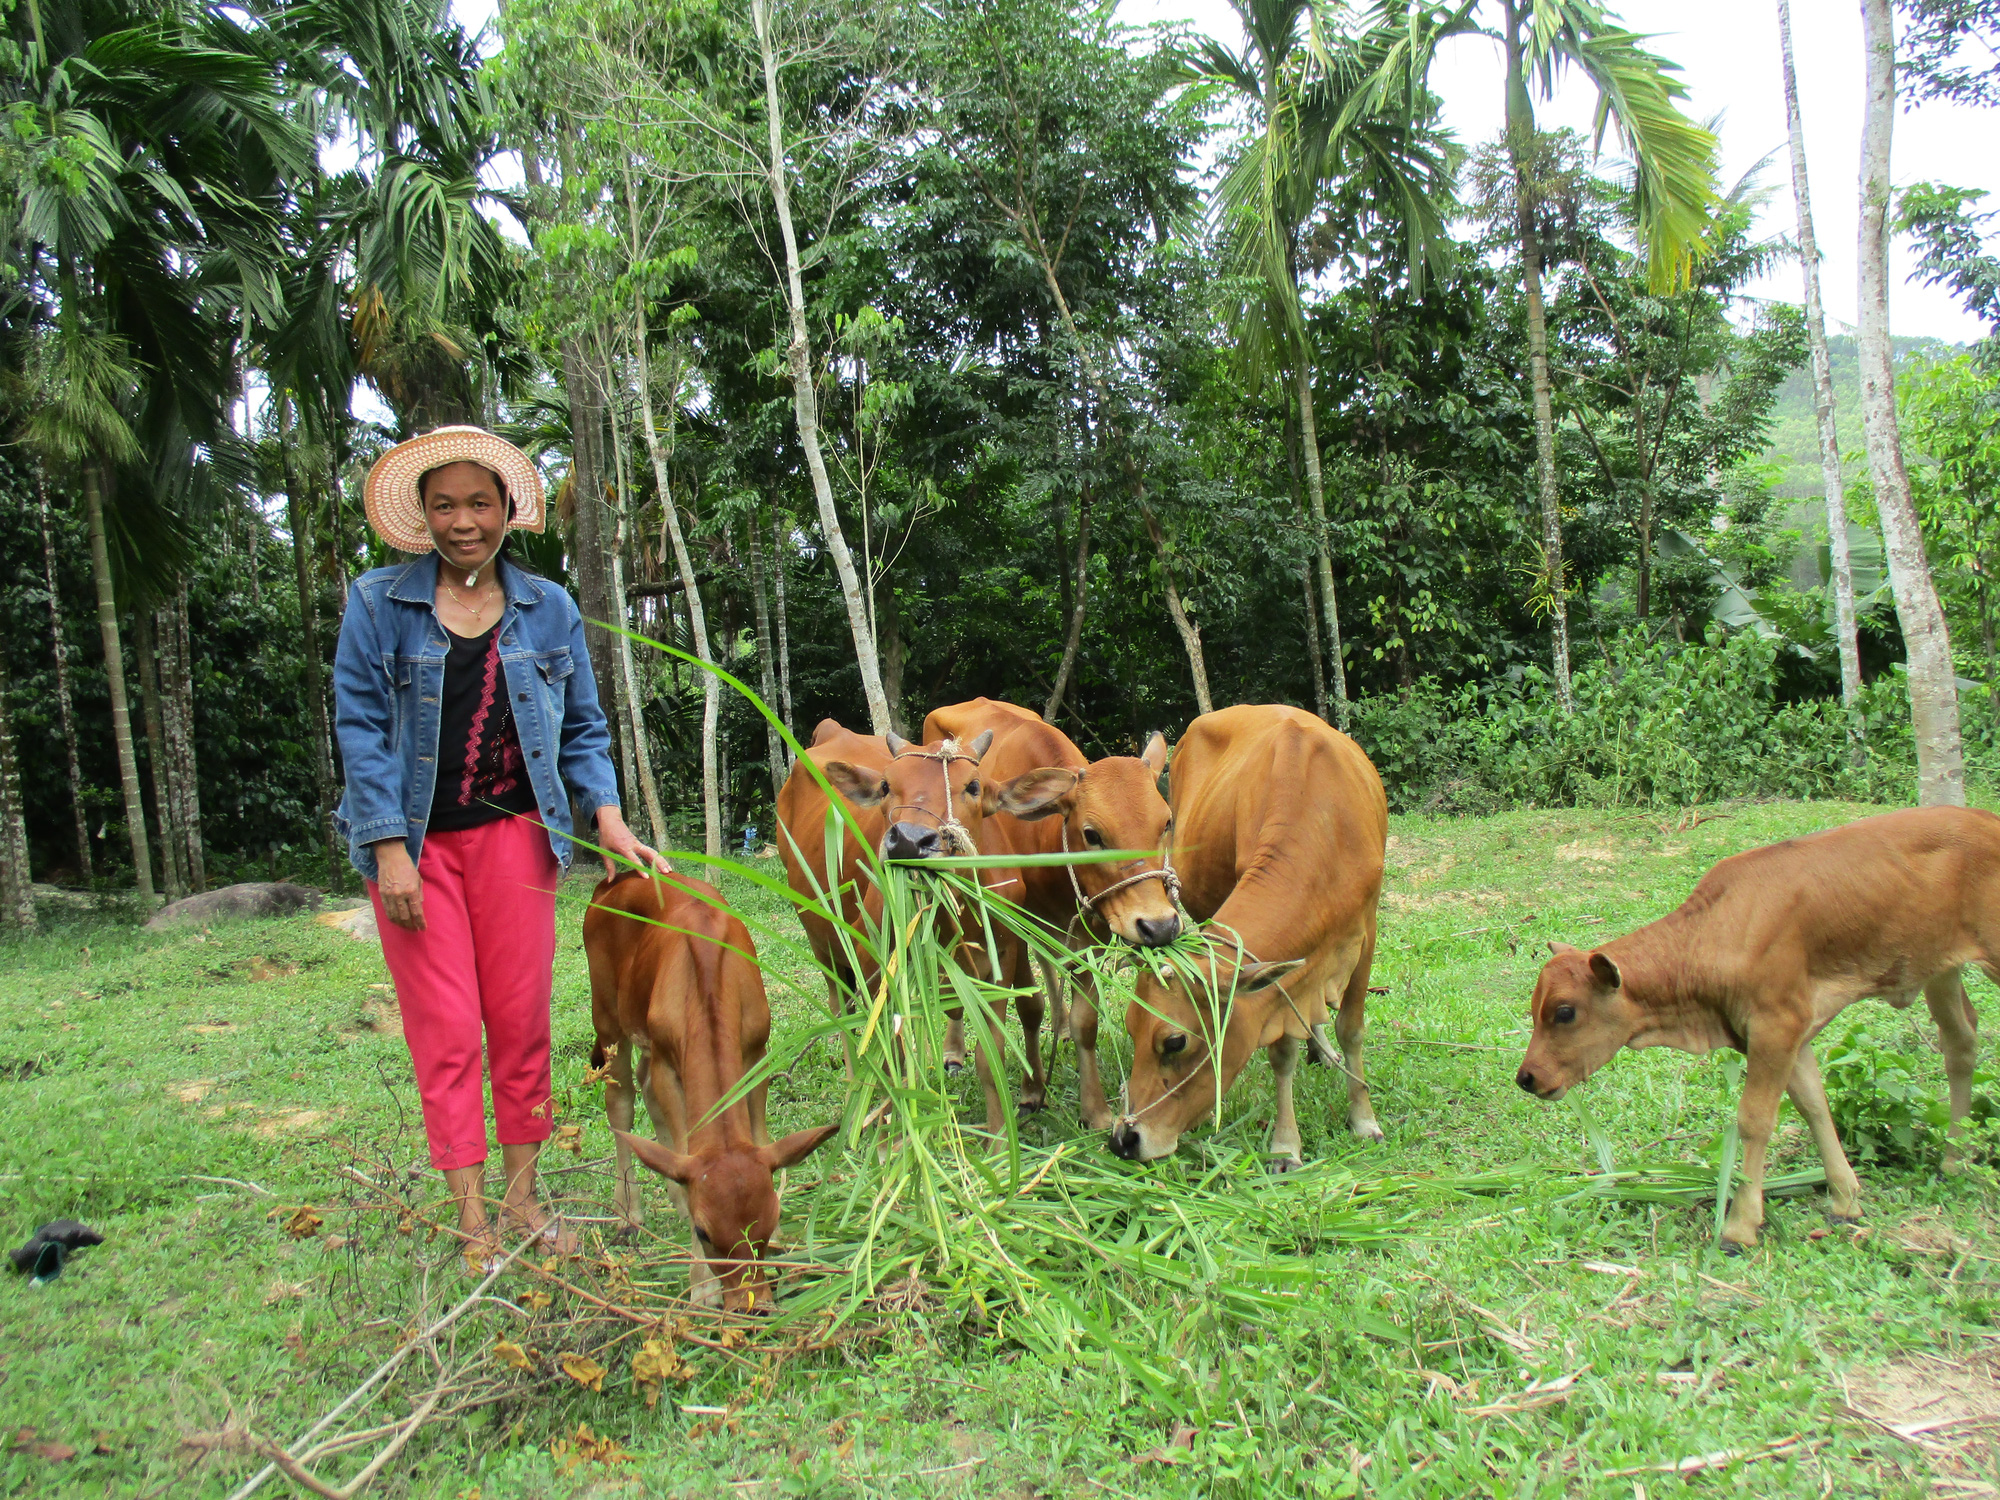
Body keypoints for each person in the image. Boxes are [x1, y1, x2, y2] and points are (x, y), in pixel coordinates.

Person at [332, 425, 669, 1272]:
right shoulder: (377, 604)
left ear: (508, 509)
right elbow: (362, 732)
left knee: (519, 1024)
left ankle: (522, 1203)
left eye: (479, 503)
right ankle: (471, 1218)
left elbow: (583, 728)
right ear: (422, 514)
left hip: (519, 840)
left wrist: (608, 816)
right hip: (417, 850)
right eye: (443, 505)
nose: (462, 521)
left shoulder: (547, 607)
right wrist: (386, 851)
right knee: (447, 1031)